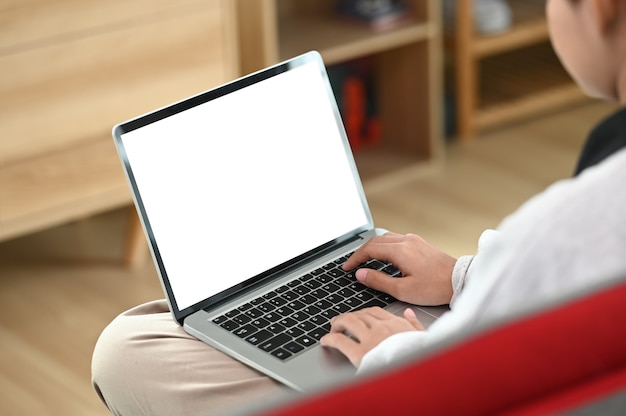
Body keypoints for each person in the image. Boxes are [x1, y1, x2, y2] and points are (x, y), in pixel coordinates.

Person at [91, 1, 626, 414]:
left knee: (127, 348)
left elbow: (467, 388)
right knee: (178, 321)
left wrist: (397, 354)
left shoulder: (572, 221)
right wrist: (461, 275)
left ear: (600, 9)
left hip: (418, 385)